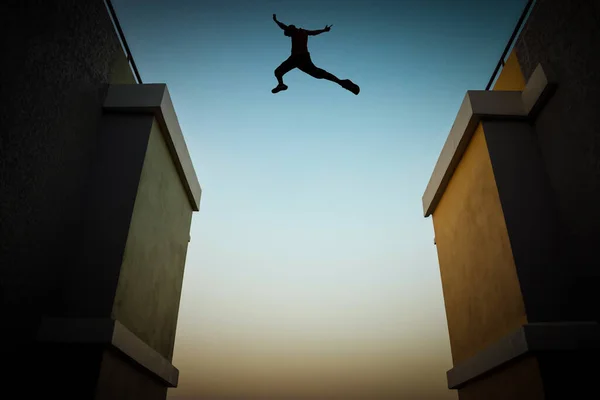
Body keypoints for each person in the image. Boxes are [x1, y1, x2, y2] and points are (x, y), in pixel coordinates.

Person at [271, 14, 360, 95]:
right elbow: (314, 32)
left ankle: (281, 84)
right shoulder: (304, 32)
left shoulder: (295, 32)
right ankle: (341, 82)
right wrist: (324, 30)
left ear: (291, 30)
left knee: (278, 72)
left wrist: (276, 21)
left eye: (288, 35)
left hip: (297, 58)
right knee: (317, 73)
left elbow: (283, 27)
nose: (289, 36)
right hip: (301, 58)